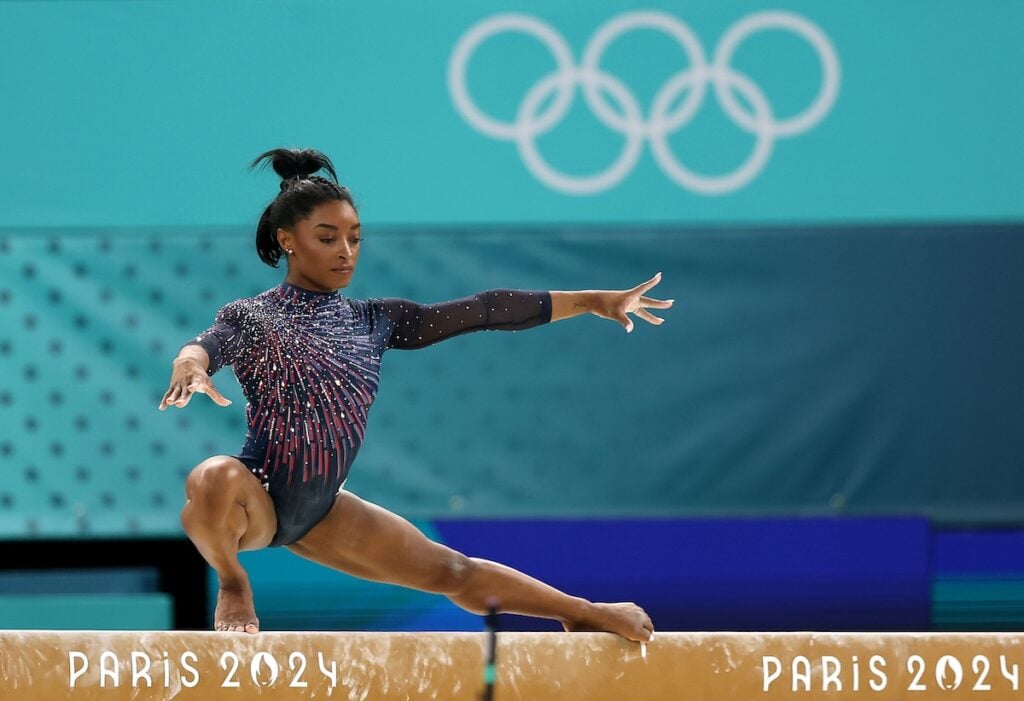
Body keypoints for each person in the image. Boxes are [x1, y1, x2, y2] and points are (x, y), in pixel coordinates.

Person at [159, 147, 673, 642]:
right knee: (211, 478)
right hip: (257, 499)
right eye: (327, 237)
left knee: (454, 570)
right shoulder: (254, 316)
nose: (345, 251)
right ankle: (232, 581)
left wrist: (591, 301)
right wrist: (190, 367)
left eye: (355, 238)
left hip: (320, 512)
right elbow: (206, 345)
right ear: (288, 240)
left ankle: (581, 614)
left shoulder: (374, 320)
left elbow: (484, 310)